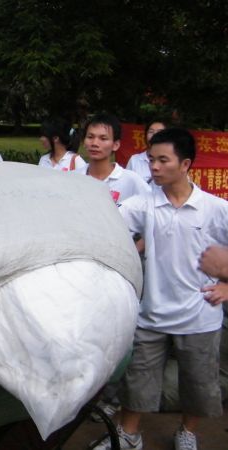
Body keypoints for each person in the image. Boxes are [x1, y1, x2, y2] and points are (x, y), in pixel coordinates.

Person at [93, 128, 228, 450]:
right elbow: (106, 228)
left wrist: (226, 284)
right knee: (138, 378)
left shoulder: (215, 209)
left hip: (200, 317)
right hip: (152, 314)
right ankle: (129, 434)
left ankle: (187, 432)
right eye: (151, 159)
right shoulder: (143, 205)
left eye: (163, 160)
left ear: (185, 164)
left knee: (198, 382)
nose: (154, 166)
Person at [76, 113, 150, 206]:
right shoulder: (73, 178)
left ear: (116, 145)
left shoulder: (131, 181)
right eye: (90, 137)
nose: (94, 143)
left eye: (103, 138)